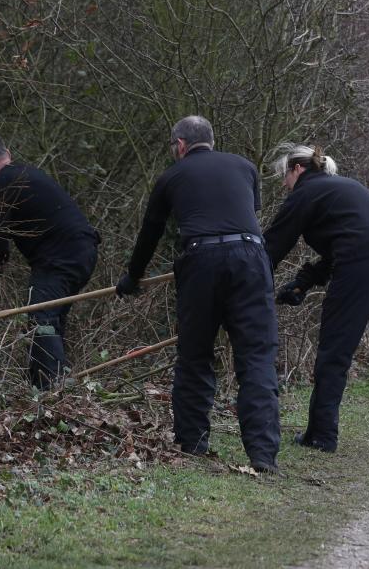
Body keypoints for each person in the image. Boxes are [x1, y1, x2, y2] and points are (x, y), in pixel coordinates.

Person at [115, 116, 281, 474]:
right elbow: (246, 214)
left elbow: (151, 232)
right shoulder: (246, 167)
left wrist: (132, 276)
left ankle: (191, 443)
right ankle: (263, 455)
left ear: (179, 145)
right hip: (251, 257)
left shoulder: (171, 177)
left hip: (200, 259)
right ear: (210, 140)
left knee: (195, 353)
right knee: (256, 356)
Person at [263, 145, 369, 457]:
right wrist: (304, 281)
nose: (284, 185)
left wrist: (244, 287)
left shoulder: (305, 193)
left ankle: (321, 436)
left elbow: (272, 248)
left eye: (284, 176)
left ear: (297, 169)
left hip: (361, 263)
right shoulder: (346, 187)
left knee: (335, 351)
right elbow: (353, 239)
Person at [0, 132, 99, 390]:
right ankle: (42, 388)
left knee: (41, 317)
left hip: (61, 257)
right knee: (49, 318)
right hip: (83, 251)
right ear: (8, 153)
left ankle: (54, 392)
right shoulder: (29, 174)